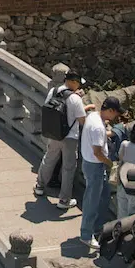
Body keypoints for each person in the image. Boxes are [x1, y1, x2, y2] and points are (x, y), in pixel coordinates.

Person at [35, 70, 91, 208]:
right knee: (68, 168)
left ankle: (39, 186)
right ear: (72, 82)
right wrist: (87, 108)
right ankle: (64, 200)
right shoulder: (75, 99)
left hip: (53, 133)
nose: (79, 86)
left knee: (48, 159)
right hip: (69, 137)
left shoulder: (53, 91)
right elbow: (82, 120)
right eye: (78, 83)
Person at [79, 97, 125, 250]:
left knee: (104, 195)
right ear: (110, 111)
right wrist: (112, 164)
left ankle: (98, 228)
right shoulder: (99, 128)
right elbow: (98, 153)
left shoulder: (92, 116)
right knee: (92, 200)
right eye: (116, 114)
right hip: (95, 165)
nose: (116, 117)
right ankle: (86, 235)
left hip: (88, 161)